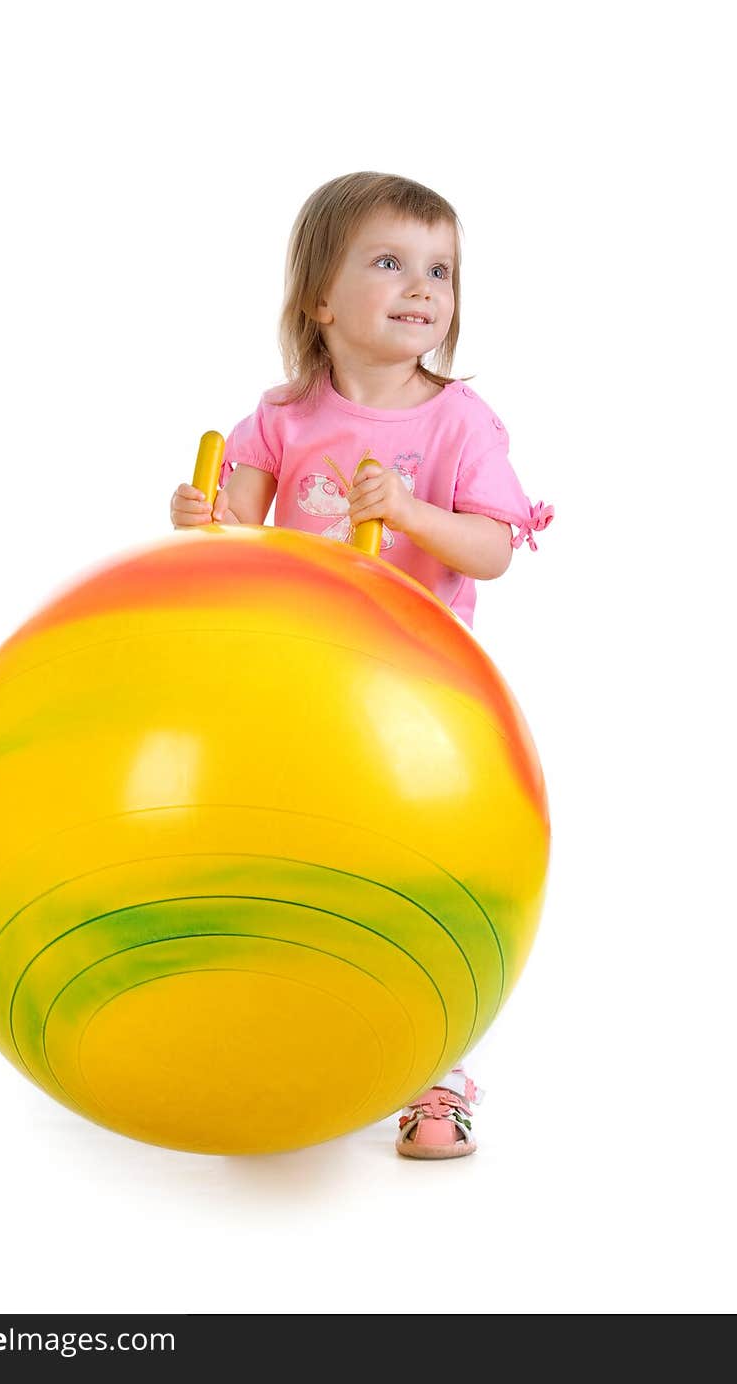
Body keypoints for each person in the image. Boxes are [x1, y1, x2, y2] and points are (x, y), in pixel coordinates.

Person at [170, 170, 553, 1159]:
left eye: (441, 269)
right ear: (320, 301)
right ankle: (282, 1024)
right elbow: (239, 533)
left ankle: (436, 1070)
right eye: (389, 262)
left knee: (409, 872)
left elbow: (494, 551)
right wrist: (204, 521)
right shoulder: (285, 415)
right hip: (299, 684)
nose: (422, 286)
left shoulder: (459, 424)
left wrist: (414, 510)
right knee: (293, 860)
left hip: (413, 701)